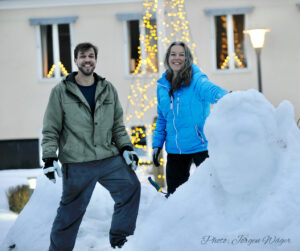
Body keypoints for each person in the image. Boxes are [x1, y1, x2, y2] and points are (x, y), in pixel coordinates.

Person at [41, 42, 141, 250]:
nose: (87, 60)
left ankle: (120, 241)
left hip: (107, 158)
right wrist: (49, 158)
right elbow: (51, 129)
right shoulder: (61, 92)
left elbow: (117, 126)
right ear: (75, 60)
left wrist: (126, 148)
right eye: (83, 56)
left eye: (91, 56)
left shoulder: (107, 88)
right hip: (77, 162)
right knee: (70, 213)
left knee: (131, 188)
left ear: (96, 59)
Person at [152, 41, 227, 196]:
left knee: (212, 194)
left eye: (182, 54)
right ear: (168, 58)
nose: (177, 58)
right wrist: (157, 145)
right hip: (175, 150)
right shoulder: (163, 86)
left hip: (201, 147)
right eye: (173, 54)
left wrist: (228, 97)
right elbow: (162, 118)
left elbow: (211, 91)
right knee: (175, 197)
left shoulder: (197, 80)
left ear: (187, 58)